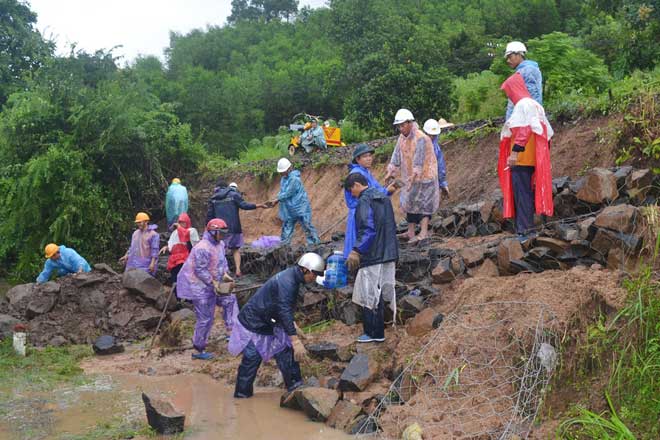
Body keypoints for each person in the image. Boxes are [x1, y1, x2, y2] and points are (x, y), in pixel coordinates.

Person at [228, 252, 325, 398]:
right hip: (254, 321)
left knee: (285, 351)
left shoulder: (293, 278)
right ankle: (242, 395)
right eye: (314, 274)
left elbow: (284, 307)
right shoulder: (287, 282)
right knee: (252, 359)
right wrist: (295, 339)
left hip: (271, 320)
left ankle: (295, 388)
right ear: (305, 269)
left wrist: (293, 327)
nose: (314, 278)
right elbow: (284, 309)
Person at [498, 72, 554, 239]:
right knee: (526, 193)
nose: (509, 96)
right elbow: (548, 133)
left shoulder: (524, 104)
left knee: (522, 194)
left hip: (522, 159)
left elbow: (525, 129)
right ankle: (526, 228)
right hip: (530, 158)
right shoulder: (535, 105)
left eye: (508, 92)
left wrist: (515, 153)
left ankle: (524, 231)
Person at [344, 174, 398, 343]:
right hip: (388, 253)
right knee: (380, 292)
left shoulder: (364, 201)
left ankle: (373, 333)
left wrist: (357, 250)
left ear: (357, 185)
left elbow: (367, 229)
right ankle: (380, 331)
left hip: (372, 255)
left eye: (350, 190)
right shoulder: (383, 196)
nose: (351, 194)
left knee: (369, 295)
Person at [176, 218, 236, 360]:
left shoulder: (220, 244)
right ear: (213, 232)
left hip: (215, 282)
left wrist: (226, 275)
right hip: (199, 286)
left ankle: (232, 332)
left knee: (230, 299)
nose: (223, 235)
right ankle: (199, 348)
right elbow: (200, 270)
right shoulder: (202, 248)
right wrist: (212, 282)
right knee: (205, 318)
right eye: (220, 233)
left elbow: (221, 263)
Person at [384, 108, 439, 243]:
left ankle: (424, 232)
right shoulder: (402, 139)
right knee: (410, 201)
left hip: (425, 175)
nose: (401, 129)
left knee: (424, 203)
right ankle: (410, 231)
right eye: (399, 126)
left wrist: (414, 176)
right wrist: (390, 171)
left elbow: (419, 161)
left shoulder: (421, 137)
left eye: (403, 125)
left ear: (410, 123)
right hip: (410, 176)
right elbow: (396, 156)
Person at [343, 144, 397, 258]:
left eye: (370, 156)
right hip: (361, 210)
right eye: (365, 156)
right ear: (357, 159)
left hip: (366, 209)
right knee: (362, 237)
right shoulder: (357, 174)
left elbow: (375, 189)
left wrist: (386, 190)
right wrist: (386, 191)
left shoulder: (365, 171)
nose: (369, 159)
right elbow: (371, 193)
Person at [207, 179, 267, 277]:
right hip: (235, 227)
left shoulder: (213, 198)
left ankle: (225, 272)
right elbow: (244, 205)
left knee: (221, 250)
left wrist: (209, 228)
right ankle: (238, 270)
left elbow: (210, 216)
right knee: (235, 249)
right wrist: (258, 205)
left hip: (220, 229)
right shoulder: (233, 195)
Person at [269, 158, 320, 245]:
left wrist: (277, 199)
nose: (281, 173)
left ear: (289, 169)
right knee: (287, 227)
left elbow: (289, 192)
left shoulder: (294, 179)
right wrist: (276, 198)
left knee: (306, 225)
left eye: (283, 171)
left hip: (300, 206)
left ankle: (314, 244)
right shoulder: (284, 179)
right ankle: (284, 246)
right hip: (289, 208)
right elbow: (282, 191)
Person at [159, 212, 200, 297]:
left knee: (186, 278)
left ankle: (188, 298)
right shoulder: (175, 232)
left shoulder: (192, 230)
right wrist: (166, 247)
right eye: (180, 222)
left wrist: (179, 228)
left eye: (183, 222)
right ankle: (177, 298)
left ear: (187, 222)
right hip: (174, 259)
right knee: (175, 278)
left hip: (186, 258)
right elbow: (172, 242)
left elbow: (189, 238)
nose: (181, 224)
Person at [504, 41, 543, 120]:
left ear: (519, 55)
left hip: (525, 121)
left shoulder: (527, 70)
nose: (508, 60)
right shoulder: (525, 70)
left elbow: (532, 97)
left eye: (510, 56)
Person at [422, 118, 451, 200]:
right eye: (429, 135)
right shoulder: (418, 146)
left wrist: (443, 183)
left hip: (432, 181)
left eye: (433, 135)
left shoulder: (436, 148)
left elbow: (440, 166)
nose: (431, 137)